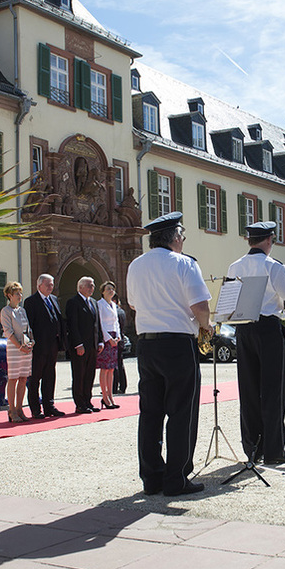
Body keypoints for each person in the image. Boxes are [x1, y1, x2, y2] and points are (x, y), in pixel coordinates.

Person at [126, 212, 211, 496]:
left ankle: (152, 478)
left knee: (150, 413)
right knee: (181, 412)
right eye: (182, 236)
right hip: (177, 342)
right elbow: (200, 305)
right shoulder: (185, 263)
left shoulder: (136, 265)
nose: (183, 241)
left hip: (147, 344)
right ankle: (177, 478)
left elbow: (134, 304)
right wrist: (207, 327)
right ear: (175, 237)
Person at [227, 221, 285, 465]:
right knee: (273, 390)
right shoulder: (274, 266)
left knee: (248, 390)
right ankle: (274, 450)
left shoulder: (234, 265)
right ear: (269, 241)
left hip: (243, 329)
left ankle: (252, 448)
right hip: (268, 329)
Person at [24, 273, 67, 419]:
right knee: (35, 378)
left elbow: (58, 320)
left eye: (52, 284)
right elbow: (29, 325)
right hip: (39, 347)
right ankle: (36, 409)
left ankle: (49, 406)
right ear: (39, 285)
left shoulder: (54, 300)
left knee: (50, 376)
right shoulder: (31, 302)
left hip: (53, 345)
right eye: (48, 284)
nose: (51, 287)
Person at [66, 276, 104, 414]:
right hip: (80, 346)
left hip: (92, 345)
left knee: (89, 375)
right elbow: (73, 325)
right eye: (89, 285)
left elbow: (97, 324)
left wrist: (100, 341)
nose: (92, 288)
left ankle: (88, 400)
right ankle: (80, 403)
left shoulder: (93, 302)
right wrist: (78, 344)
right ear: (80, 287)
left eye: (93, 285)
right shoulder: (73, 302)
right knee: (79, 375)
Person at [0, 281, 34, 423]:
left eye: (20, 293)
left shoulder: (22, 310)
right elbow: (8, 331)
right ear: (9, 295)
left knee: (23, 378)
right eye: (16, 293)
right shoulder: (6, 311)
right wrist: (20, 346)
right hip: (14, 349)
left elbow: (28, 329)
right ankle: (12, 409)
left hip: (26, 348)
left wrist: (32, 341)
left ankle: (20, 409)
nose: (20, 296)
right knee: (13, 379)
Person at [96, 281, 122, 410]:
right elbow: (100, 323)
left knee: (112, 368)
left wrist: (118, 337)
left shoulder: (113, 305)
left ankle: (111, 395)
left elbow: (116, 322)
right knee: (104, 368)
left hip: (114, 337)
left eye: (112, 289)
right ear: (103, 291)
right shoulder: (99, 304)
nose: (111, 291)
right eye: (108, 289)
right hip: (106, 337)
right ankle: (104, 396)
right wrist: (108, 338)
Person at [112, 293, 129, 395]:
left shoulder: (115, 312)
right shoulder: (121, 311)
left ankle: (114, 387)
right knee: (120, 363)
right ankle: (123, 386)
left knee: (114, 365)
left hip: (115, 340)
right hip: (121, 340)